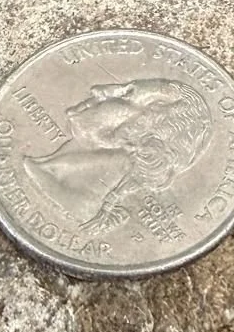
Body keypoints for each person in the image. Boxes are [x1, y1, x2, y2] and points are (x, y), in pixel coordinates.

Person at [23, 79, 212, 235]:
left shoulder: (73, 201)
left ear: (135, 132)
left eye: (124, 94)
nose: (98, 89)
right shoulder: (39, 170)